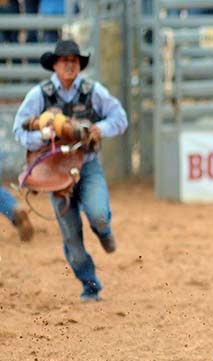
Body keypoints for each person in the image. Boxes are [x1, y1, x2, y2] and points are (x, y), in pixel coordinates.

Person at [13, 40, 128, 302]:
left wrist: (101, 129)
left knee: (99, 214)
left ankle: (104, 231)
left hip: (86, 165)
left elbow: (119, 118)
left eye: (74, 60)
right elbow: (18, 129)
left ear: (79, 65)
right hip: (54, 173)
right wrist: (43, 137)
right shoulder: (39, 94)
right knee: (72, 237)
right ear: (54, 64)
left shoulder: (93, 90)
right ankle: (90, 286)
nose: (69, 64)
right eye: (64, 59)